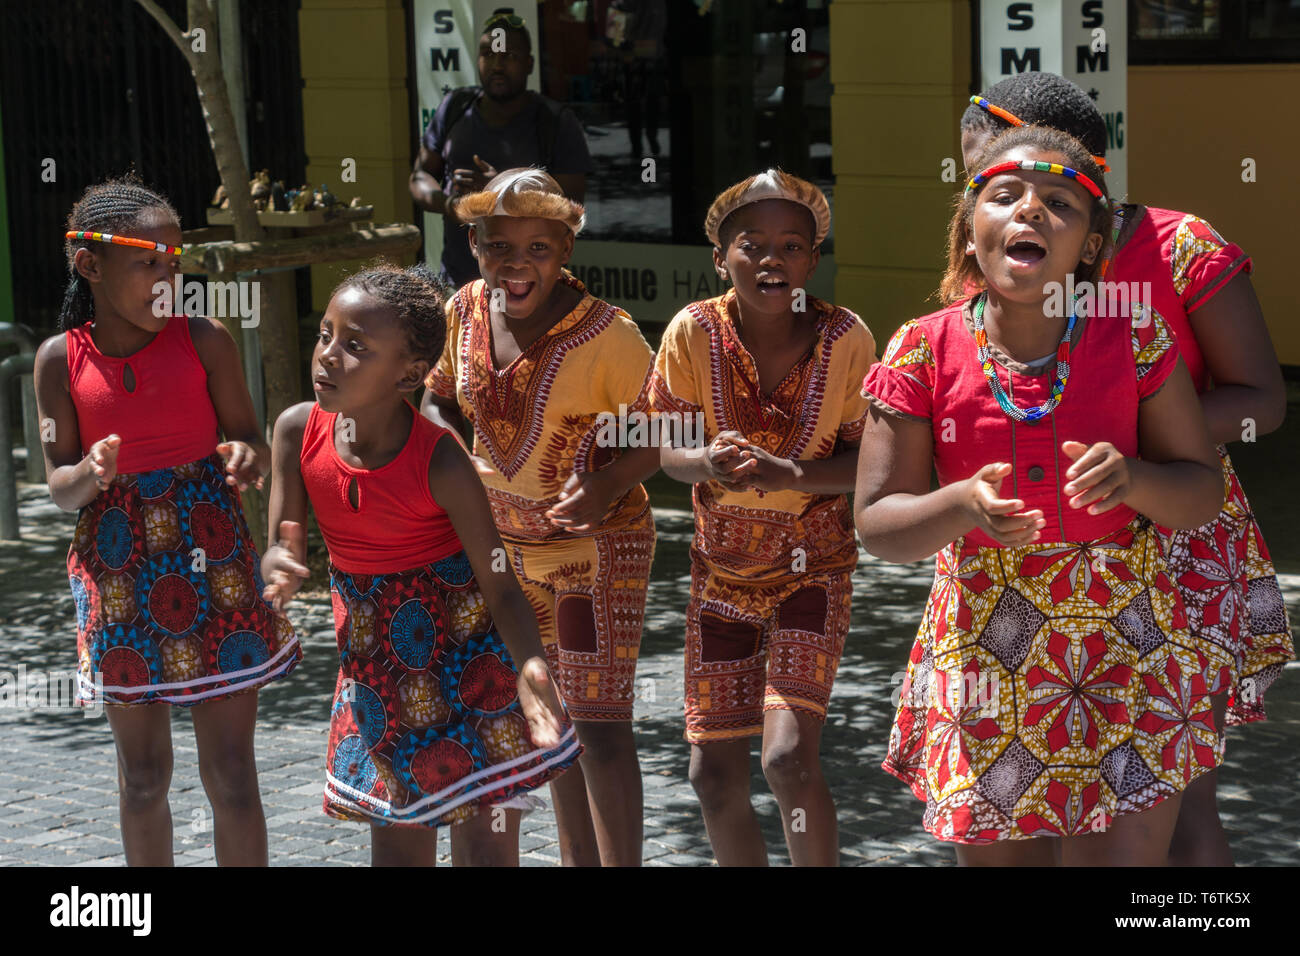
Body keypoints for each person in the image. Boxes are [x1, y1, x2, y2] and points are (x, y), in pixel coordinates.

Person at [856, 124, 1232, 865]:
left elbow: (1201, 491)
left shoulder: (1133, 337)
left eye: (1059, 203)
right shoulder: (921, 349)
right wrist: (959, 505)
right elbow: (877, 524)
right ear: (970, 232)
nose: (1029, 212)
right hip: (986, 652)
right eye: (1004, 196)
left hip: (1128, 648)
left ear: (1090, 247)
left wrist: (1135, 478)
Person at [961, 71, 1294, 866]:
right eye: (980, 178)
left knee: (1174, 797)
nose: (984, 188)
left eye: (988, 157)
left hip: (1177, 533)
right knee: (1041, 791)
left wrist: (1131, 432)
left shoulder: (1181, 245)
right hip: (1037, 558)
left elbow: (1261, 400)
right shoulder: (1000, 254)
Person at [261, 262, 580, 866]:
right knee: (399, 845)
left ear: (409, 373)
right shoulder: (295, 431)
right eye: (326, 333)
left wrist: (531, 670)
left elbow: (500, 583)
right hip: (379, 674)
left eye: (355, 346)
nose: (328, 355)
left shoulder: (442, 464)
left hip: (472, 665)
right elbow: (285, 537)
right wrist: (278, 560)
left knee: (486, 846)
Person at [33, 175, 301, 866]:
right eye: (147, 261)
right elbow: (59, 488)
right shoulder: (60, 361)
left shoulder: (205, 339)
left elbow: (248, 436)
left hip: (214, 567)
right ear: (90, 264)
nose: (166, 277)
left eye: (173, 263)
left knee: (234, 777)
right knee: (144, 778)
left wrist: (244, 455)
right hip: (118, 577)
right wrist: (90, 475)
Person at [420, 168, 659, 866]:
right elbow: (436, 398)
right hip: (497, 550)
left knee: (598, 726)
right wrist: (454, 459)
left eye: (538, 248)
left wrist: (608, 481)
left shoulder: (610, 337)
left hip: (595, 549)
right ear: (472, 243)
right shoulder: (461, 309)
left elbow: (669, 431)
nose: (515, 265)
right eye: (498, 246)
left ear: (567, 249)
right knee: (535, 719)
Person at [650, 169, 877, 866]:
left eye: (791, 245)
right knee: (711, 775)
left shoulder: (846, 340)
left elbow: (872, 461)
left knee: (786, 761)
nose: (772, 259)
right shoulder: (692, 332)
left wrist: (795, 474)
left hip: (813, 570)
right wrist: (706, 463)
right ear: (721, 259)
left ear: (813, 260)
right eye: (752, 245)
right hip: (720, 574)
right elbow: (665, 447)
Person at [410, 10, 593, 289]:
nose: (497, 65)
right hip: (457, 282)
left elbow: (571, 208)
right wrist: (451, 204)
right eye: (488, 53)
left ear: (530, 63)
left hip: (528, 287)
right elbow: (420, 175)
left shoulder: (555, 121)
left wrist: (501, 194)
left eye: (509, 56)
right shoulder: (455, 107)